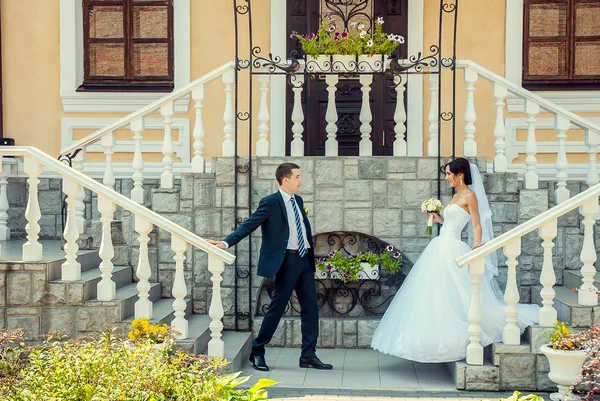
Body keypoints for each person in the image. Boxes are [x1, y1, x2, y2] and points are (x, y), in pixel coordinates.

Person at [370, 157, 539, 363]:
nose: (447, 177)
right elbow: (458, 222)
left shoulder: (470, 195)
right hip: (441, 245)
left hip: (454, 248)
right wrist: (438, 219)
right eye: (447, 174)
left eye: (450, 174)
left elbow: (476, 225)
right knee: (438, 292)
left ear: (460, 175)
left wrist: (477, 246)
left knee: (457, 292)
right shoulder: (457, 194)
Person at [207, 163, 333, 372]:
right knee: (276, 308)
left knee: (311, 308)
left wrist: (310, 263)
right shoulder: (271, 202)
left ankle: (308, 355)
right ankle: (258, 351)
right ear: (286, 179)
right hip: (286, 262)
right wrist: (225, 242)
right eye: (297, 177)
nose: (300, 181)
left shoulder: (298, 201)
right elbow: (250, 224)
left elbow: (304, 231)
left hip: (303, 261)